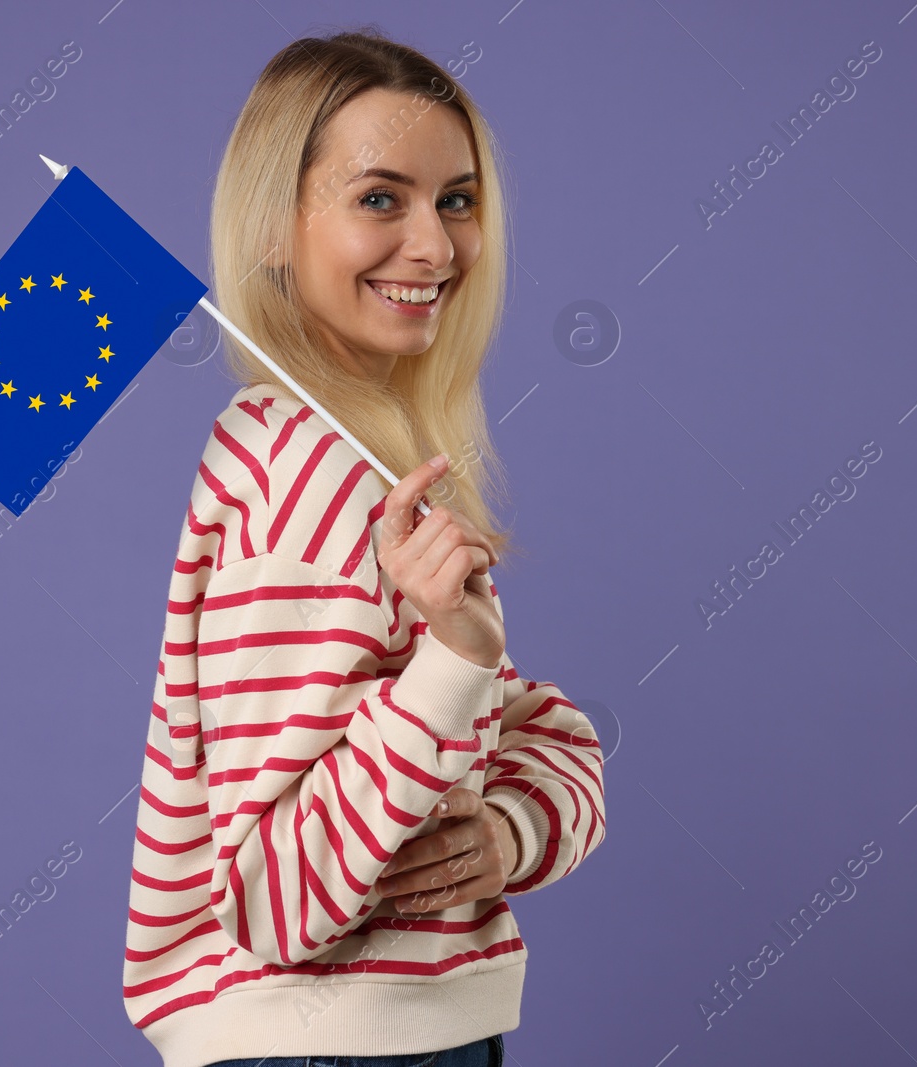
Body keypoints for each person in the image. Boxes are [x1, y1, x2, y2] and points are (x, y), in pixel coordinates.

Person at [122, 27, 607, 1067]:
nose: (434, 247)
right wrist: (455, 661)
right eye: (379, 198)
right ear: (274, 224)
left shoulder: (365, 457)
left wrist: (507, 829)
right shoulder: (305, 474)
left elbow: (546, 733)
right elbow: (273, 898)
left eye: (456, 199)